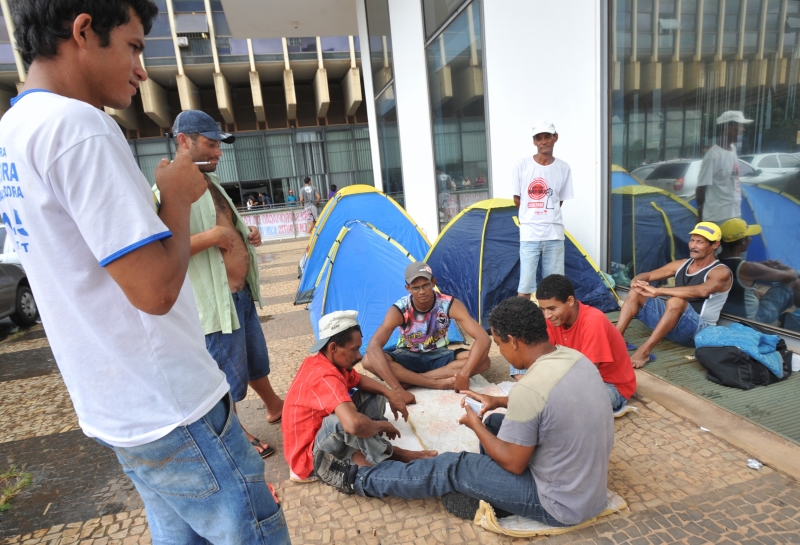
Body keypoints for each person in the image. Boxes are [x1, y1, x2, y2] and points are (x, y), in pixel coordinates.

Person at [0, 2, 290, 543]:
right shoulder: (78, 127)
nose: (141, 68)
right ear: (83, 31)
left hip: (117, 409)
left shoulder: (13, 129)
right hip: (172, 402)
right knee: (251, 529)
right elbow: (154, 290)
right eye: (133, 46)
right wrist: (176, 197)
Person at [314, 297, 614, 529]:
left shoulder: (529, 388)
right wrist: (499, 402)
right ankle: (497, 495)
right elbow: (551, 403)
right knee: (496, 420)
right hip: (589, 492)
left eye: (498, 344)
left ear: (514, 341)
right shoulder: (573, 358)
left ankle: (361, 481)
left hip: (558, 504)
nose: (499, 352)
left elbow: (512, 462)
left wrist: (475, 424)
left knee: (454, 466)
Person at [168, 110, 285, 459]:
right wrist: (213, 236)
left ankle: (275, 405)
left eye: (219, 145)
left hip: (240, 294)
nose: (218, 152)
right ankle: (233, 435)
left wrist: (244, 233)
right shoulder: (169, 190)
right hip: (215, 304)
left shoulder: (209, 182)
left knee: (253, 360)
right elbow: (164, 249)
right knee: (224, 376)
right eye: (210, 145)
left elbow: (223, 224)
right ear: (183, 141)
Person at [282, 311, 437, 483]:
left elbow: (359, 379)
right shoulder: (324, 378)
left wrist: (391, 393)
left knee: (373, 394)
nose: (359, 356)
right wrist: (382, 425)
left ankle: (369, 442)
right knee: (346, 423)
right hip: (307, 458)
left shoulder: (327, 361)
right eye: (355, 349)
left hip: (319, 432)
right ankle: (393, 453)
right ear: (333, 347)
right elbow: (353, 424)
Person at [361, 261, 492, 399]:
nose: (422, 292)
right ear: (408, 288)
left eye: (426, 285)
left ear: (433, 282)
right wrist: (398, 389)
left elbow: (483, 338)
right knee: (368, 360)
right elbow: (373, 347)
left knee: (483, 361)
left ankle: (411, 381)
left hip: (439, 354)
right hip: (407, 355)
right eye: (416, 288)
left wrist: (464, 374)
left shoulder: (449, 303)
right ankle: (433, 383)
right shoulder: (399, 309)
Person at [511, 275, 637, 415]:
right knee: (520, 353)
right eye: (543, 309)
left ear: (570, 301)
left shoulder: (593, 321)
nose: (547, 315)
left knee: (562, 405)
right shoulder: (553, 319)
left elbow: (587, 374)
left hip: (609, 386)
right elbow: (537, 352)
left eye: (552, 308)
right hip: (572, 375)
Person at [616, 222, 733, 368]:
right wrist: (637, 281)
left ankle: (644, 352)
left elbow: (701, 291)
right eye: (692, 240)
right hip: (672, 324)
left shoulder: (721, 272)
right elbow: (648, 275)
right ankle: (615, 339)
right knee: (636, 292)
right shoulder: (682, 264)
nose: (693, 246)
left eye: (700, 242)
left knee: (676, 301)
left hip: (698, 331)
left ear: (715, 245)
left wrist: (659, 291)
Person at [513, 121, 574, 300]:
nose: (543, 141)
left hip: (554, 234)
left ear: (555, 138)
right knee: (525, 286)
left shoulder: (563, 168)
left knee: (555, 286)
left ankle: (553, 325)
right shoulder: (522, 165)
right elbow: (518, 199)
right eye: (539, 138)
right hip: (529, 233)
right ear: (534, 142)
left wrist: (546, 213)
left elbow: (559, 200)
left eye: (548, 136)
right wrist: (534, 214)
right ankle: (520, 324)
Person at [718, 218, 800, 324]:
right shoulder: (749, 268)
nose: (751, 239)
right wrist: (782, 266)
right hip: (751, 320)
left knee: (753, 292)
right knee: (795, 283)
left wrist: (761, 266)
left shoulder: (712, 262)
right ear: (743, 240)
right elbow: (792, 275)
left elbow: (734, 273)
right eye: (749, 237)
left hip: (725, 315)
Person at [696, 111, 753, 225]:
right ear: (728, 128)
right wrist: (701, 214)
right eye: (740, 126)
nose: (743, 129)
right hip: (717, 217)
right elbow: (701, 187)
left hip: (734, 212)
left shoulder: (733, 148)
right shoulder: (713, 155)